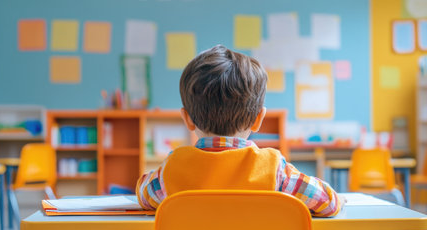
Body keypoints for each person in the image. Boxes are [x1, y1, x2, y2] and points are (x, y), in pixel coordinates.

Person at [136, 45, 343, 217]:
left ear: (187, 119)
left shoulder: (172, 170)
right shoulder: (275, 171)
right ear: (258, 119)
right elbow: (329, 203)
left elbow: (143, 195)